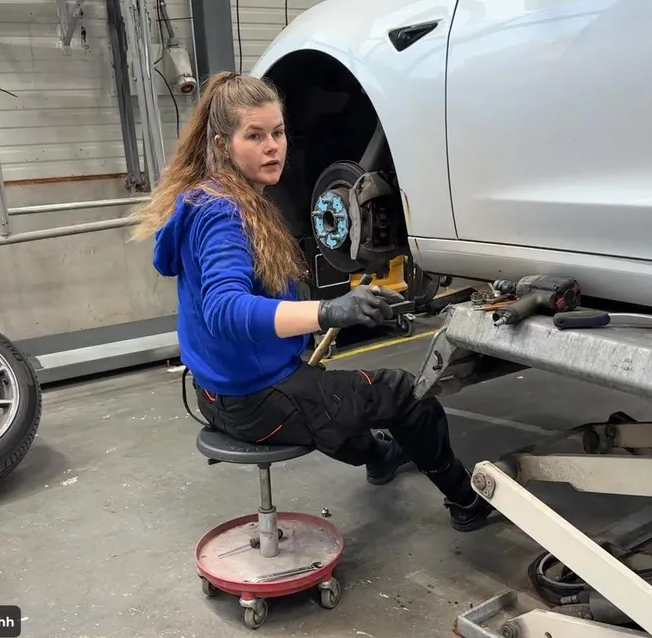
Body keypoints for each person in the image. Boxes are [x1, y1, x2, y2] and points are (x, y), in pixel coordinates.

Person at [131, 72, 493, 532]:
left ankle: (380, 456)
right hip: (259, 400)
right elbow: (225, 310)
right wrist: (329, 311)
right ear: (222, 145)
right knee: (406, 394)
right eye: (255, 136)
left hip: (219, 395)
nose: (272, 147)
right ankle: (466, 501)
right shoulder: (223, 212)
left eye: (278, 133)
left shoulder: (203, 200)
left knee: (337, 398)